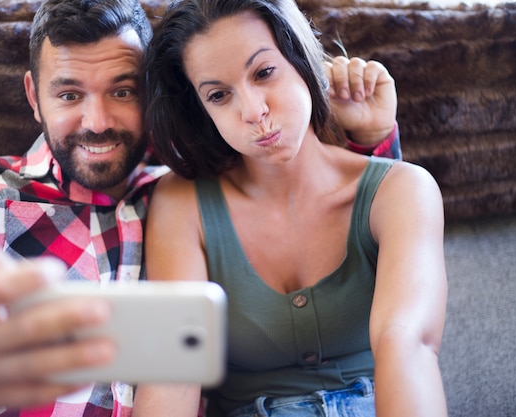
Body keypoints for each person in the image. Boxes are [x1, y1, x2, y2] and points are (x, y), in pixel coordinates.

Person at [0, 0, 401, 416]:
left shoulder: (188, 191)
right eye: (69, 93)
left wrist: (371, 140)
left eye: (122, 91)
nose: (96, 121)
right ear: (34, 96)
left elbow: (324, 214)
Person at [133, 0, 448, 416]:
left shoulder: (402, 190)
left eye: (264, 73)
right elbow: (174, 376)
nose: (253, 111)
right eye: (219, 95)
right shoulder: (182, 204)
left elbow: (407, 345)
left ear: (301, 58)